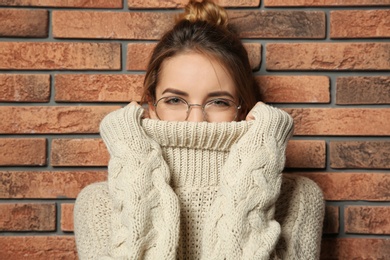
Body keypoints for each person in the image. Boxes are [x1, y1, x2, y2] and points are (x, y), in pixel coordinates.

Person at [74, 0, 325, 259]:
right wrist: (132, 159)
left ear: (243, 108)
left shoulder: (300, 199)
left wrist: (258, 161)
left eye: (218, 102)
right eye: (174, 100)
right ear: (151, 105)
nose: (195, 121)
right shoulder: (98, 205)